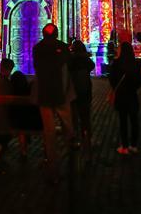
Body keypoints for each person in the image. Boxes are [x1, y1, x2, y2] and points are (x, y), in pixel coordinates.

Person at [32, 23, 74, 180]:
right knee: (68, 126)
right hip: (61, 93)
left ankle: (52, 165)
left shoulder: (37, 48)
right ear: (56, 33)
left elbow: (36, 67)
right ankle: (72, 153)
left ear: (43, 34)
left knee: (48, 132)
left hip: (44, 95)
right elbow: (69, 66)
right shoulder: (63, 47)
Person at [109, 41, 141, 155]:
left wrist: (118, 88)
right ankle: (134, 145)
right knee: (134, 121)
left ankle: (124, 146)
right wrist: (133, 87)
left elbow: (112, 80)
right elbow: (140, 80)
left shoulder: (116, 63)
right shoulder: (135, 64)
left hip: (121, 97)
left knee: (123, 121)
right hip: (132, 95)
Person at [68, 40, 94, 152]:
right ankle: (87, 138)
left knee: (73, 116)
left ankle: (74, 138)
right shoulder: (86, 60)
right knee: (85, 116)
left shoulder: (71, 60)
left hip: (73, 91)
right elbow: (91, 66)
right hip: (85, 90)